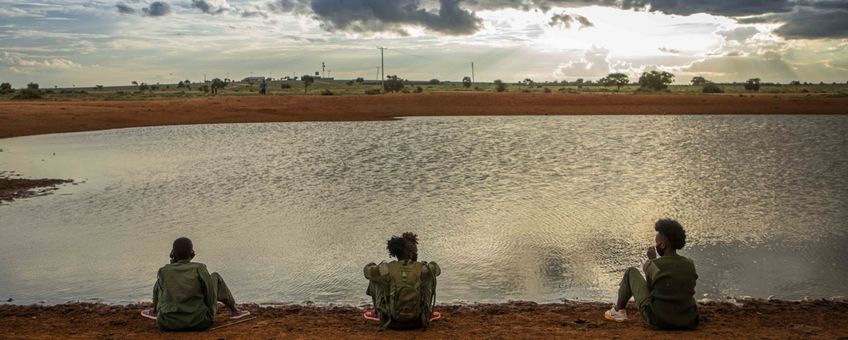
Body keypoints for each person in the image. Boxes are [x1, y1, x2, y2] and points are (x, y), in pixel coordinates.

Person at [604, 219, 699, 330]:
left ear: (662, 245)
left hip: (659, 320)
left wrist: (651, 260)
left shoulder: (653, 265)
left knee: (631, 272)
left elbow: (651, 291)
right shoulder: (689, 264)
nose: (656, 246)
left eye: (657, 244)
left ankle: (617, 311)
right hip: (690, 321)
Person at [141, 237, 250, 331]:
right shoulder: (199, 268)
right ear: (192, 253)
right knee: (215, 276)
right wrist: (210, 310)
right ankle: (234, 310)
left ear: (172, 254)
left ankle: (155, 311)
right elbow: (210, 296)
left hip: (167, 324)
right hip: (199, 322)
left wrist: (173, 261)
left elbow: (160, 293)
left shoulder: (164, 271)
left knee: (161, 283)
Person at [364, 232, 441, 330]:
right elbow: (437, 269)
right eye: (415, 251)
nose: (416, 253)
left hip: (390, 321)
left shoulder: (385, 269)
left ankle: (376, 312)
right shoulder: (423, 269)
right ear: (410, 253)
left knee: (375, 277)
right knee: (429, 277)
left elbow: (367, 271)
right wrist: (421, 264)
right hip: (419, 322)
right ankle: (427, 310)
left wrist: (376, 265)